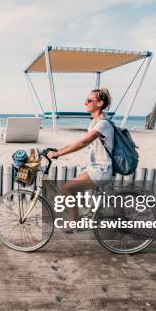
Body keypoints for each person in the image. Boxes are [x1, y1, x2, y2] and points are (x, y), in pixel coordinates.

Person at [47, 88, 115, 224]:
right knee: (71, 188)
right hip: (95, 167)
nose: (86, 103)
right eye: (86, 100)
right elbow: (79, 142)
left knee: (67, 188)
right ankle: (82, 217)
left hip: (101, 170)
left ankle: (74, 222)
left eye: (89, 100)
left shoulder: (102, 124)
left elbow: (83, 142)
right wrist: (58, 150)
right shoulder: (95, 123)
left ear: (100, 103)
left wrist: (58, 154)